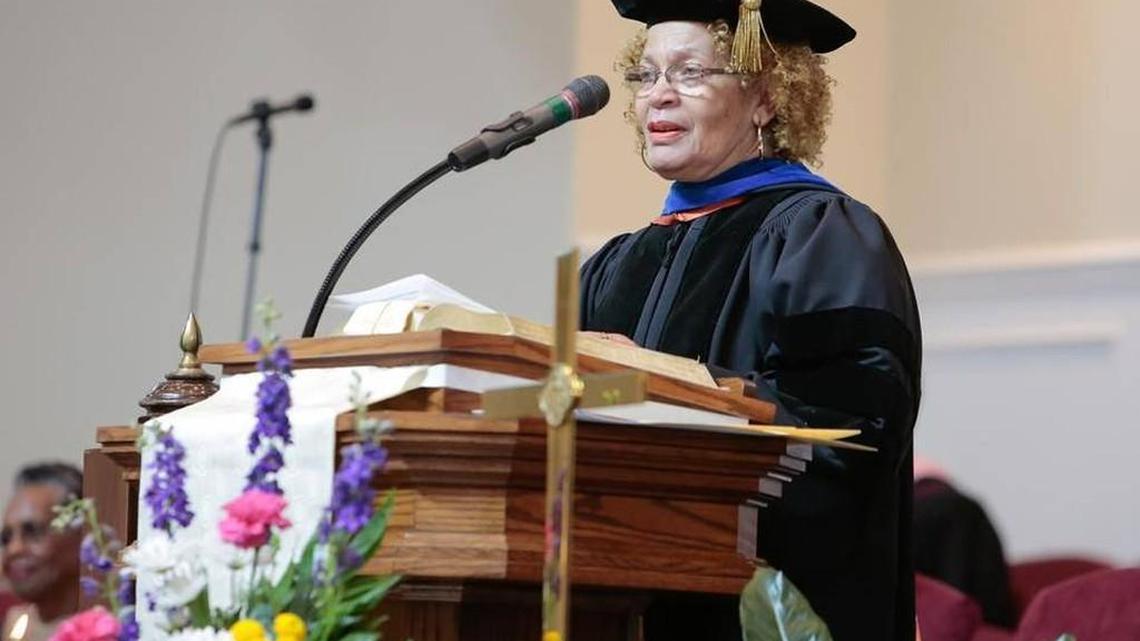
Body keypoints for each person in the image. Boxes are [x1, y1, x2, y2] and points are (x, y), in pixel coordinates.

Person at [580, 1, 922, 639]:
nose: (658, 96)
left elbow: (851, 434)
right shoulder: (614, 264)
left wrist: (666, 388)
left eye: (688, 74)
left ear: (766, 97)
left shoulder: (823, 234)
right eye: (646, 75)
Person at [1, 463, 84, 641]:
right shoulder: (15, 625)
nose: (13, 549)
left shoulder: (107, 626)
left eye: (33, 532)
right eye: (6, 538)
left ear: (82, 534)